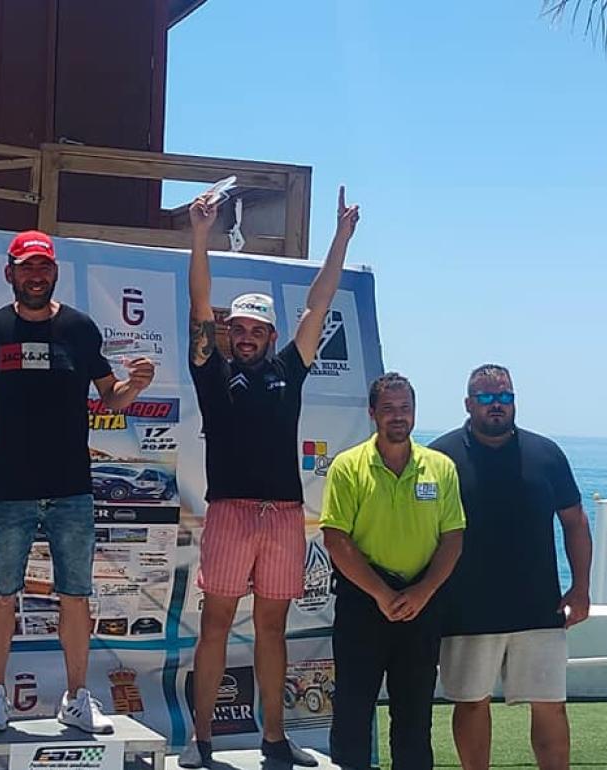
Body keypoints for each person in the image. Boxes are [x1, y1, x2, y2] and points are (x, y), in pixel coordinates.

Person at [0, 230, 155, 734]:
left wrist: (135, 386)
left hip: (72, 486)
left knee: (76, 595)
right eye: (26, 267)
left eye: (43, 266)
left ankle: (76, 698)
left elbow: (111, 396)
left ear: (54, 272)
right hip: (10, 487)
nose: (35, 275)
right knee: (2, 593)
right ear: (9, 272)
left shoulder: (79, 327)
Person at [180, 187, 361, 768]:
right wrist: (201, 235)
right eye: (239, 329)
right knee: (214, 626)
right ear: (228, 333)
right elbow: (199, 301)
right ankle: (200, 740)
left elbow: (318, 303)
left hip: (283, 515)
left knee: (272, 629)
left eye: (256, 330)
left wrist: (340, 238)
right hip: (231, 512)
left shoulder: (290, 368)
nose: (246, 337)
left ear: (271, 335)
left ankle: (275, 738)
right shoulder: (210, 370)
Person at [429, 364, 592, 770]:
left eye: (504, 397)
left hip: (538, 607)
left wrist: (581, 588)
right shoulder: (439, 458)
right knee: (471, 703)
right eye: (486, 397)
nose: (496, 405)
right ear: (468, 404)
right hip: (465, 610)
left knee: (551, 705)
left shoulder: (547, 454)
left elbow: (575, 521)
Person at [320, 372, 466, 770]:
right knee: (352, 712)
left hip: (422, 604)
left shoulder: (441, 467)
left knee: (414, 717)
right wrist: (382, 594)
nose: (398, 416)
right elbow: (336, 538)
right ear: (372, 414)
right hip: (363, 602)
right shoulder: (348, 466)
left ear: (415, 412)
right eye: (388, 408)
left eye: (405, 408)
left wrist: (423, 592)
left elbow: (453, 538)